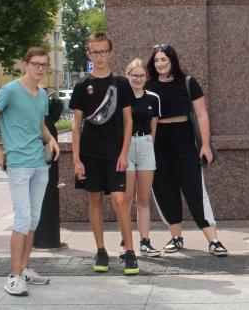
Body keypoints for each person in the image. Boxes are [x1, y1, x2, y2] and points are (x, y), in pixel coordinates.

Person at [0, 49, 60, 297]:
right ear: (25, 64)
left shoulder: (42, 95)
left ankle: (24, 269)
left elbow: (39, 125)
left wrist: (51, 140)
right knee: (23, 219)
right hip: (18, 163)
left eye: (44, 65)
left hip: (39, 163)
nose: (40, 68)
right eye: (36, 64)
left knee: (34, 219)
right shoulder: (11, 90)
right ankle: (13, 277)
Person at [145, 43, 228, 256]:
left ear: (172, 60)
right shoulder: (149, 86)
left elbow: (201, 115)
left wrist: (206, 145)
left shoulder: (188, 82)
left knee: (195, 191)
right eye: (156, 60)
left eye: (164, 59)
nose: (160, 64)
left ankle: (214, 240)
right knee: (164, 191)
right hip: (158, 144)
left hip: (185, 142)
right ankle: (176, 237)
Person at [70, 32, 139, 275]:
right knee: (95, 199)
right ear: (89, 54)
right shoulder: (81, 86)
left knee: (120, 201)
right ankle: (100, 250)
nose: (99, 56)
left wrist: (124, 153)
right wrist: (76, 159)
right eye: (94, 52)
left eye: (103, 51)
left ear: (111, 53)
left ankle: (129, 251)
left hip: (115, 154)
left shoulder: (121, 84)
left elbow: (128, 121)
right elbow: (76, 126)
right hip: (90, 154)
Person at [124, 58, 162, 258]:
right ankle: (126, 241)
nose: (138, 79)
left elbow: (154, 127)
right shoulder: (123, 98)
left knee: (144, 198)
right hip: (127, 146)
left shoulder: (153, 98)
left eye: (141, 75)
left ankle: (145, 241)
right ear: (128, 75)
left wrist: (148, 146)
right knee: (126, 198)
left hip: (145, 145)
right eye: (134, 75)